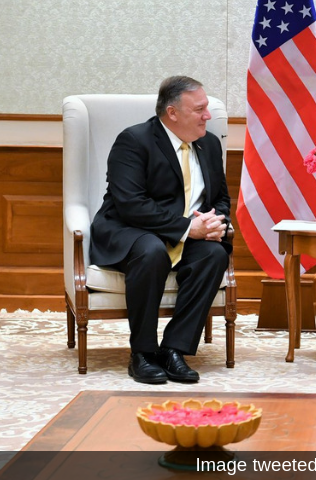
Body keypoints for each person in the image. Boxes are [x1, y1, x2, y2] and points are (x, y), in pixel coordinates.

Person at [90, 76, 232, 384]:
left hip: (186, 233)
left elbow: (220, 198)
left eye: (206, 108)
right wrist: (188, 228)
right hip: (130, 229)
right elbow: (131, 204)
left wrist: (214, 223)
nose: (208, 116)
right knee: (151, 251)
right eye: (200, 109)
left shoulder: (209, 144)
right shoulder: (134, 140)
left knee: (214, 254)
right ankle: (142, 353)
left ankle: (174, 350)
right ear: (172, 113)